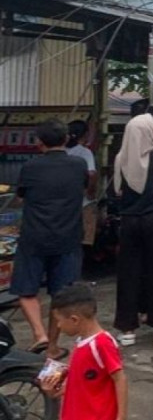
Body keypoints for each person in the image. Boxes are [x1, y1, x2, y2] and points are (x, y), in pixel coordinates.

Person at [41, 285, 133, 420]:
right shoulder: (81, 343)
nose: (58, 327)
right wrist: (56, 389)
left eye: (59, 322)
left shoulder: (102, 344)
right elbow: (86, 382)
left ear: (75, 319)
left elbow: (120, 378)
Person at [13, 119, 87, 358]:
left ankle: (39, 334)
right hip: (68, 238)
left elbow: (21, 197)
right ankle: (53, 346)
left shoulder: (31, 167)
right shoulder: (79, 165)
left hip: (34, 237)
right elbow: (85, 188)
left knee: (26, 291)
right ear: (66, 139)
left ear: (39, 142)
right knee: (61, 296)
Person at [112, 114, 153, 348]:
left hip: (130, 221)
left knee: (129, 273)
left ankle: (127, 329)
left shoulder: (121, 157)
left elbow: (116, 192)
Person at [65, 120, 98, 251]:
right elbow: (92, 174)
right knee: (83, 240)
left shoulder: (62, 151)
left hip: (65, 203)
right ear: (85, 135)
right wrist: (90, 192)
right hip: (82, 202)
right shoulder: (84, 152)